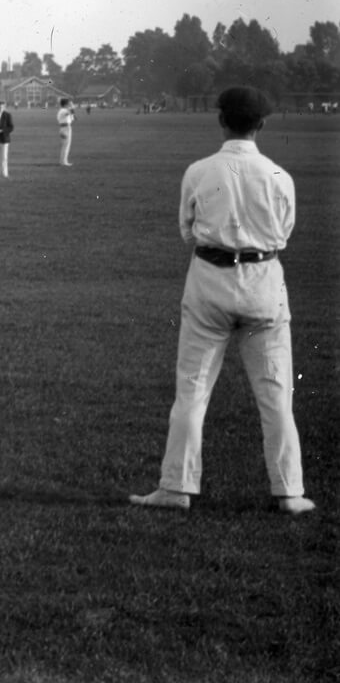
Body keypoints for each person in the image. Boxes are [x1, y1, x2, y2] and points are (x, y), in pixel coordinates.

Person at [130, 86, 314, 516]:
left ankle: (176, 486)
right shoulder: (279, 176)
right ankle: (289, 492)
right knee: (275, 394)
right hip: (264, 282)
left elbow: (187, 229)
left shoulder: (199, 171)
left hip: (210, 280)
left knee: (192, 391)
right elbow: (283, 235)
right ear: (262, 125)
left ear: (220, 121)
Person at [57, 97, 75, 166]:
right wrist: (72, 105)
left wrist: (72, 114)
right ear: (65, 104)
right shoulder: (63, 110)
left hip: (65, 128)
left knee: (65, 146)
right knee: (66, 146)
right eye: (68, 104)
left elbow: (72, 117)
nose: (69, 105)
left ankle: (63, 161)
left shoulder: (63, 110)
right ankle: (64, 162)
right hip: (65, 128)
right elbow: (71, 111)